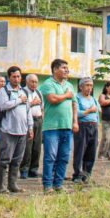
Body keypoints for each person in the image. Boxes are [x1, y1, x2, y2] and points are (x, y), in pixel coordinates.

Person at [39, 59, 77, 193]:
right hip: (51, 127)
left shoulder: (70, 85)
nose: (67, 70)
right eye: (63, 68)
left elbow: (74, 104)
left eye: (67, 68)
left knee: (64, 157)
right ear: (55, 69)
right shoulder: (47, 84)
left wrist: (75, 122)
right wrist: (66, 95)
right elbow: (52, 99)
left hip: (66, 126)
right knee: (50, 157)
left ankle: (58, 185)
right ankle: (47, 185)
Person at [0, 66, 32, 194]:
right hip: (8, 130)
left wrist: (30, 127)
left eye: (18, 76)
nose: (16, 79)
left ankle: (13, 185)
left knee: (17, 160)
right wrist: (19, 100)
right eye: (14, 76)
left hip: (22, 130)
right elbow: (4, 105)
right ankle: (2, 187)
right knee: (4, 159)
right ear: (9, 77)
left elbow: (28, 111)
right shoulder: (4, 91)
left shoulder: (24, 91)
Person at [71, 77, 99, 183]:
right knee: (80, 151)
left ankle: (87, 174)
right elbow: (76, 113)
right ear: (81, 87)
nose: (89, 88)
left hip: (93, 126)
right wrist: (89, 111)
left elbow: (97, 114)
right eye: (87, 85)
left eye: (91, 86)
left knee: (91, 152)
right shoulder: (77, 97)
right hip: (82, 126)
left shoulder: (93, 99)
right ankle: (77, 174)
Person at [20, 73, 43, 179]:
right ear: (27, 81)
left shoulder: (39, 92)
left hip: (38, 120)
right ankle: (24, 169)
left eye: (36, 82)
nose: (34, 84)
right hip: (27, 121)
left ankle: (33, 170)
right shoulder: (22, 92)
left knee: (37, 146)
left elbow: (42, 108)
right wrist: (32, 103)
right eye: (32, 81)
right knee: (27, 147)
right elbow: (21, 107)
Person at [97, 81, 110, 162]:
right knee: (106, 138)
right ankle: (101, 154)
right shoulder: (103, 95)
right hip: (106, 120)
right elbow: (102, 103)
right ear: (106, 87)